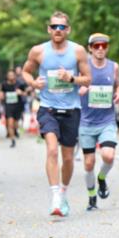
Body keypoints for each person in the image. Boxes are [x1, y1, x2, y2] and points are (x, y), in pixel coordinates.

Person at [22, 11, 90, 217]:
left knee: (68, 158)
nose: (57, 30)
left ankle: (63, 192)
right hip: (47, 108)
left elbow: (87, 79)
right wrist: (33, 82)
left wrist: (71, 78)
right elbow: (25, 71)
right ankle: (55, 197)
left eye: (62, 27)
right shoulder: (38, 51)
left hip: (71, 110)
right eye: (54, 27)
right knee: (52, 150)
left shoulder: (78, 51)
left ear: (68, 30)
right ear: (48, 29)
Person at [77, 33, 119, 211]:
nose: (100, 49)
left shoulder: (113, 66)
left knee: (108, 156)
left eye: (103, 45)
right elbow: (73, 84)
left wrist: (118, 93)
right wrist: (79, 88)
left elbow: (118, 84)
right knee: (88, 163)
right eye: (96, 46)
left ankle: (102, 178)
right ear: (90, 48)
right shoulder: (83, 67)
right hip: (86, 122)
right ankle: (91, 196)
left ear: (107, 47)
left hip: (107, 120)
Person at [0, 69, 24, 148]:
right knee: (10, 124)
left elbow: (26, 93)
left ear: (15, 76)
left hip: (18, 106)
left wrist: (21, 92)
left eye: (12, 75)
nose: (11, 77)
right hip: (8, 106)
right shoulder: (4, 84)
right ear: (7, 76)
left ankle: (15, 131)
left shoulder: (19, 84)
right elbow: (1, 94)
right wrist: (1, 96)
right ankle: (12, 140)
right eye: (9, 75)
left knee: (15, 124)